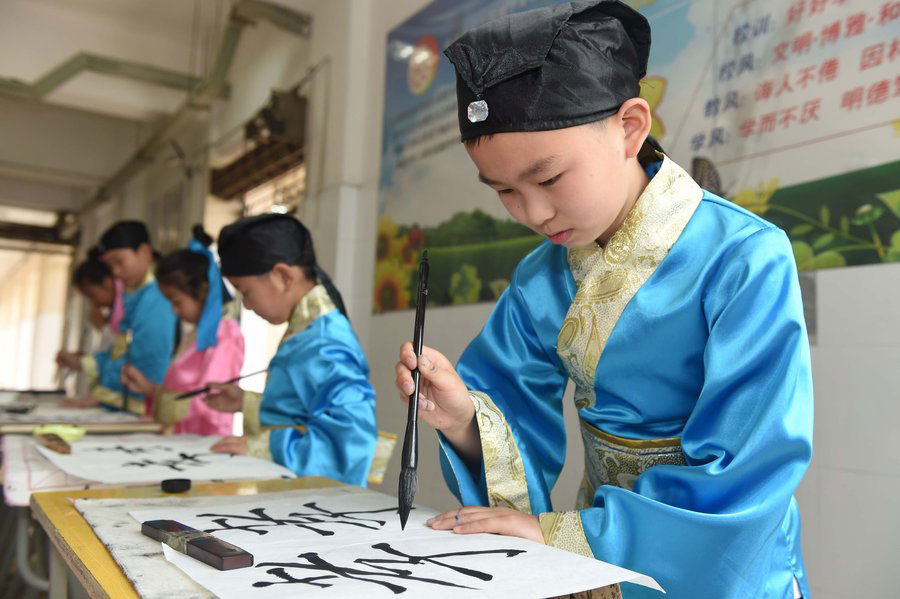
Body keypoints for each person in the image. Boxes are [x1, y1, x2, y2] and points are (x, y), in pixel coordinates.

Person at [393, 2, 813, 598]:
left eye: (549, 179)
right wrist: (462, 419)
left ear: (630, 127)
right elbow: (505, 404)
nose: (533, 214)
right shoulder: (541, 278)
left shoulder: (745, 257)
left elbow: (752, 466)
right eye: (506, 191)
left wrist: (572, 536)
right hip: (592, 555)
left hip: (715, 564)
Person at [203, 214, 377, 486]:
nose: (246, 305)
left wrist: (263, 448)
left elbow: (351, 442)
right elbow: (304, 409)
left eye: (245, 291)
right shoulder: (308, 330)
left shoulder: (324, 341)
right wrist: (245, 402)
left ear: (284, 276)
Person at [121, 225, 243, 435]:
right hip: (180, 437)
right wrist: (150, 389)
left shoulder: (225, 334)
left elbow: (210, 401)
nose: (173, 309)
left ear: (203, 290)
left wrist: (153, 391)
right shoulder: (194, 334)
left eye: (176, 301)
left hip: (202, 443)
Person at [59, 221, 177, 413]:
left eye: (119, 261)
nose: (115, 271)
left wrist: (104, 395)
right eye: (110, 264)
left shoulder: (157, 297)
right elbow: (120, 352)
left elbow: (150, 361)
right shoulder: (136, 294)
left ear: (144, 252)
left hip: (144, 407)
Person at [56, 248, 125, 373]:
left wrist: (103, 327)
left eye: (91, 295)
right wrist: (82, 358)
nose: (94, 302)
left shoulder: (126, 309)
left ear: (107, 283)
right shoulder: (113, 313)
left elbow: (120, 357)